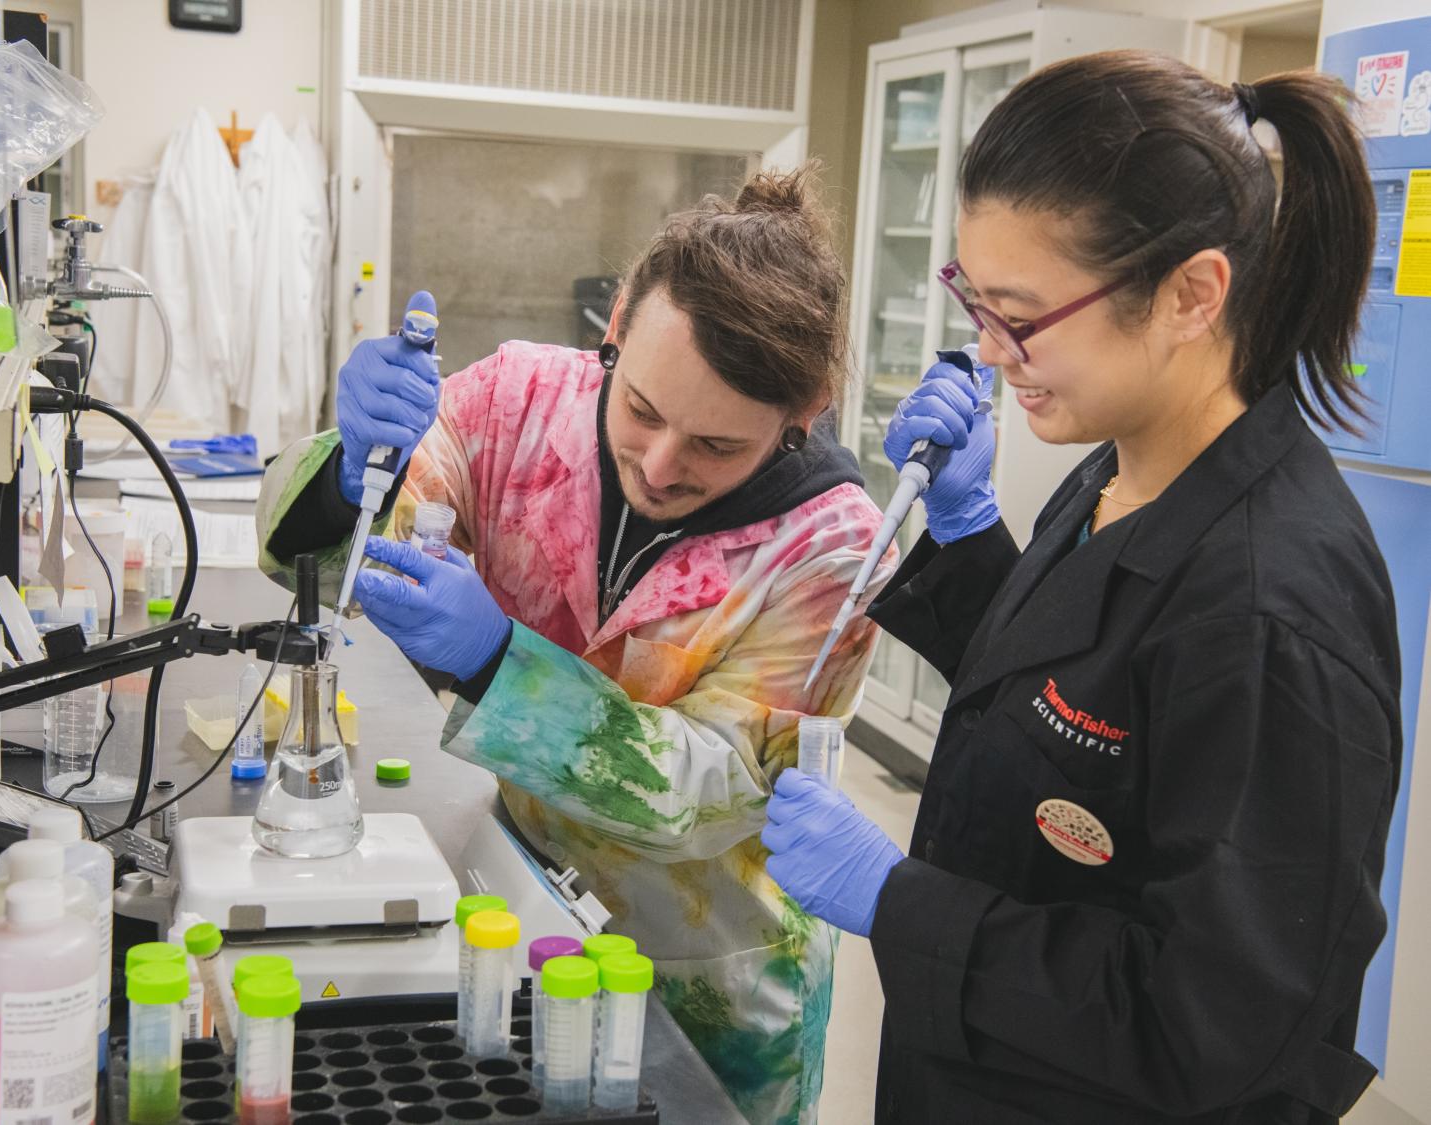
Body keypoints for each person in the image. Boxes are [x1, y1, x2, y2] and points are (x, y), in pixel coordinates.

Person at [762, 51, 1401, 1124]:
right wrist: (968, 538)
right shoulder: (1127, 466)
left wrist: (898, 902)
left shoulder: (1272, 609)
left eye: (1021, 313)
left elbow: (1210, 1023)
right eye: (975, 298)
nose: (989, 349)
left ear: (1191, 294)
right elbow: (1082, 711)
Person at [256, 166, 894, 1124]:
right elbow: (354, 546)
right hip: (522, 902)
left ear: (803, 415)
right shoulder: (515, 399)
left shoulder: (836, 550)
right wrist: (352, 473)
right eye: (641, 406)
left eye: (718, 447)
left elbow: (711, 790)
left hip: (707, 977)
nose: (662, 463)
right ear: (619, 321)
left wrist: (496, 664)